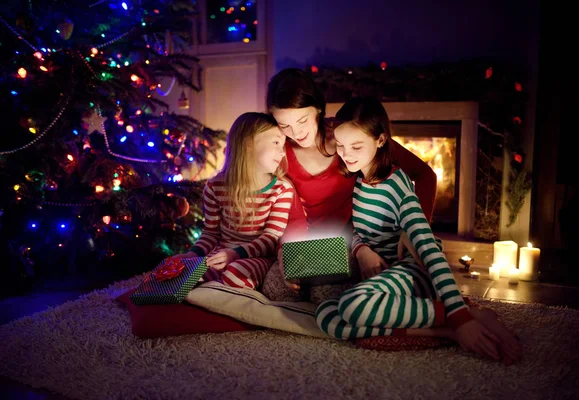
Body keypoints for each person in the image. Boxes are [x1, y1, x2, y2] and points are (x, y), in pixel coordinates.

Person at [315, 97, 521, 365]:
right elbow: (359, 230)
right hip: (387, 275)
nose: (346, 153)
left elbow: (430, 252)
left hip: (412, 272)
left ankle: (463, 313)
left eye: (356, 146)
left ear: (380, 140)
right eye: (341, 145)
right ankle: (445, 332)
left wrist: (460, 318)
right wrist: (359, 248)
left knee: (353, 305)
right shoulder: (360, 182)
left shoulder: (398, 186)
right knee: (325, 314)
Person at [262, 68, 438, 301]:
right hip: (304, 243)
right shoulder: (281, 153)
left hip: (350, 242)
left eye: (302, 120)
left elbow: (425, 175)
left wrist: (414, 232)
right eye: (285, 126)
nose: (296, 132)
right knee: (275, 290)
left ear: (318, 109)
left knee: (325, 296)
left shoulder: (349, 134)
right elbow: (286, 210)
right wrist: (285, 252)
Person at [170, 112, 295, 290]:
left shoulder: (281, 190)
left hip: (254, 258)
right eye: (276, 143)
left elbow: (270, 239)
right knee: (186, 275)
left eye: (283, 145)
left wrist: (234, 254)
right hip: (220, 254)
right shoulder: (215, 186)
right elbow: (211, 233)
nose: (282, 152)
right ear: (248, 144)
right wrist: (193, 254)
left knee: (234, 276)